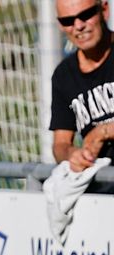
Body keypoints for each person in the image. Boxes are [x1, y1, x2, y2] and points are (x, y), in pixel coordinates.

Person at [51, 0, 114, 191]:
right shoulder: (63, 76)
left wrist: (102, 132)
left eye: (86, 15)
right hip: (101, 191)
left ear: (104, 10)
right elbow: (60, 144)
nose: (78, 26)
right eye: (68, 20)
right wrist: (73, 155)